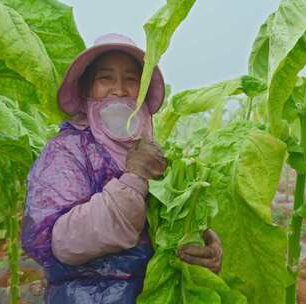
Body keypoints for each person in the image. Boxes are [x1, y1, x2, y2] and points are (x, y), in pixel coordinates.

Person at [21, 33, 223, 304]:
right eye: (105, 78)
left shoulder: (153, 151)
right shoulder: (65, 152)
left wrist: (203, 241)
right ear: (86, 90)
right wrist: (133, 179)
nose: (119, 89)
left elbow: (169, 224)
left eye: (131, 80)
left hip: (157, 293)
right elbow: (63, 242)